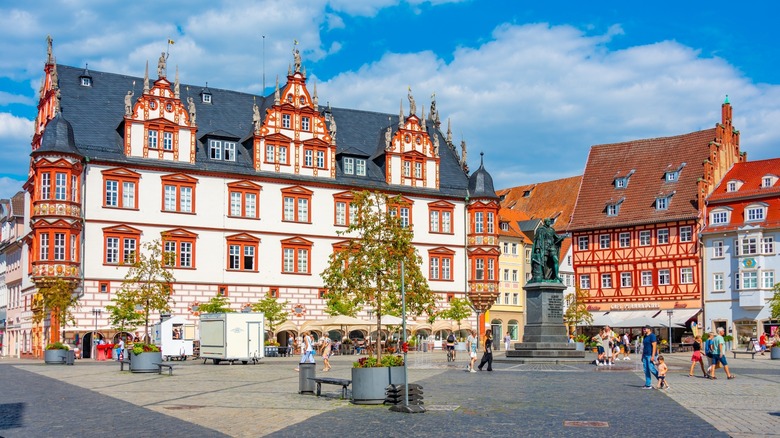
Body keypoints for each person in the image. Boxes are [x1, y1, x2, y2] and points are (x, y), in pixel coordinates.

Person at [641, 325, 659, 389]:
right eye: (644, 329)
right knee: (646, 369)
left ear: (649, 329)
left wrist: (653, 356)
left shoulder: (652, 336)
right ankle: (648, 384)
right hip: (645, 354)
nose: (644, 330)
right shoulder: (645, 336)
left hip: (650, 354)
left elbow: (654, 346)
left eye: (645, 329)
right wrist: (642, 356)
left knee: (651, 368)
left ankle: (661, 380)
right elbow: (644, 346)